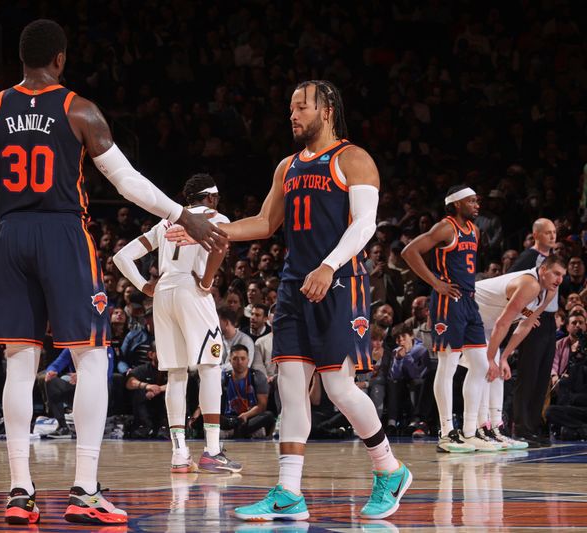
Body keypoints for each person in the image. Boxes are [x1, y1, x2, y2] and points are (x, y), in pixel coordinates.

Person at [0, 19, 224, 526]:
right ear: (60, 59)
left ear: (21, 59)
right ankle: (85, 490)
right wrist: (179, 213)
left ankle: (19, 491)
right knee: (93, 356)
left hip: (10, 236)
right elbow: (127, 182)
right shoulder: (79, 109)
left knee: (19, 359)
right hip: (62, 235)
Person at [168, 80, 410, 521]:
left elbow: (365, 225)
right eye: (290, 109)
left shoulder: (353, 159)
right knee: (291, 389)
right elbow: (263, 222)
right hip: (294, 284)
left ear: (328, 110)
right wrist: (204, 230)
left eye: (302, 107)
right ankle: (288, 493)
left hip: (339, 281)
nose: (293, 115)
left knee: (338, 388)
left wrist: (329, 265)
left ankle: (389, 469)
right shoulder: (287, 166)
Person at [114, 173, 241, 474]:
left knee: (176, 374)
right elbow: (220, 247)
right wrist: (208, 281)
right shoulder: (214, 216)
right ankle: (211, 450)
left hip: (163, 293)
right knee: (210, 367)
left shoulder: (166, 223)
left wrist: (145, 286)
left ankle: (179, 453)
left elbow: (122, 257)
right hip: (191, 291)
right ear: (210, 197)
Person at [401, 185, 492, 452]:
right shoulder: (445, 227)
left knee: (480, 365)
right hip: (447, 300)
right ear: (456, 204)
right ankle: (446, 431)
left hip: (468, 299)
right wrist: (436, 283)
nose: (477, 205)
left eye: (477, 200)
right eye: (472, 201)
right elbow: (409, 252)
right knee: (448, 363)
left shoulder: (474, 231)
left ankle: (470, 431)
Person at [474, 255, 566, 449]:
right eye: (556, 273)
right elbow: (503, 322)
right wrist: (492, 357)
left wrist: (505, 356)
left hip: (487, 321)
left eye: (562, 275)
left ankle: (494, 428)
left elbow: (525, 325)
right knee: (483, 367)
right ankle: (474, 429)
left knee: (496, 373)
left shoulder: (548, 292)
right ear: (543, 269)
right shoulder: (530, 284)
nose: (560, 280)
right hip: (469, 311)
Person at [506, 218, 559, 446]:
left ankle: (534, 426)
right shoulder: (528, 258)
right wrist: (527, 313)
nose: (552, 236)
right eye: (547, 232)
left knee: (542, 375)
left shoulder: (553, 259)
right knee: (528, 373)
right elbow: (507, 286)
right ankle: (522, 428)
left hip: (549, 320)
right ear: (536, 234)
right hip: (533, 319)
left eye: (554, 232)